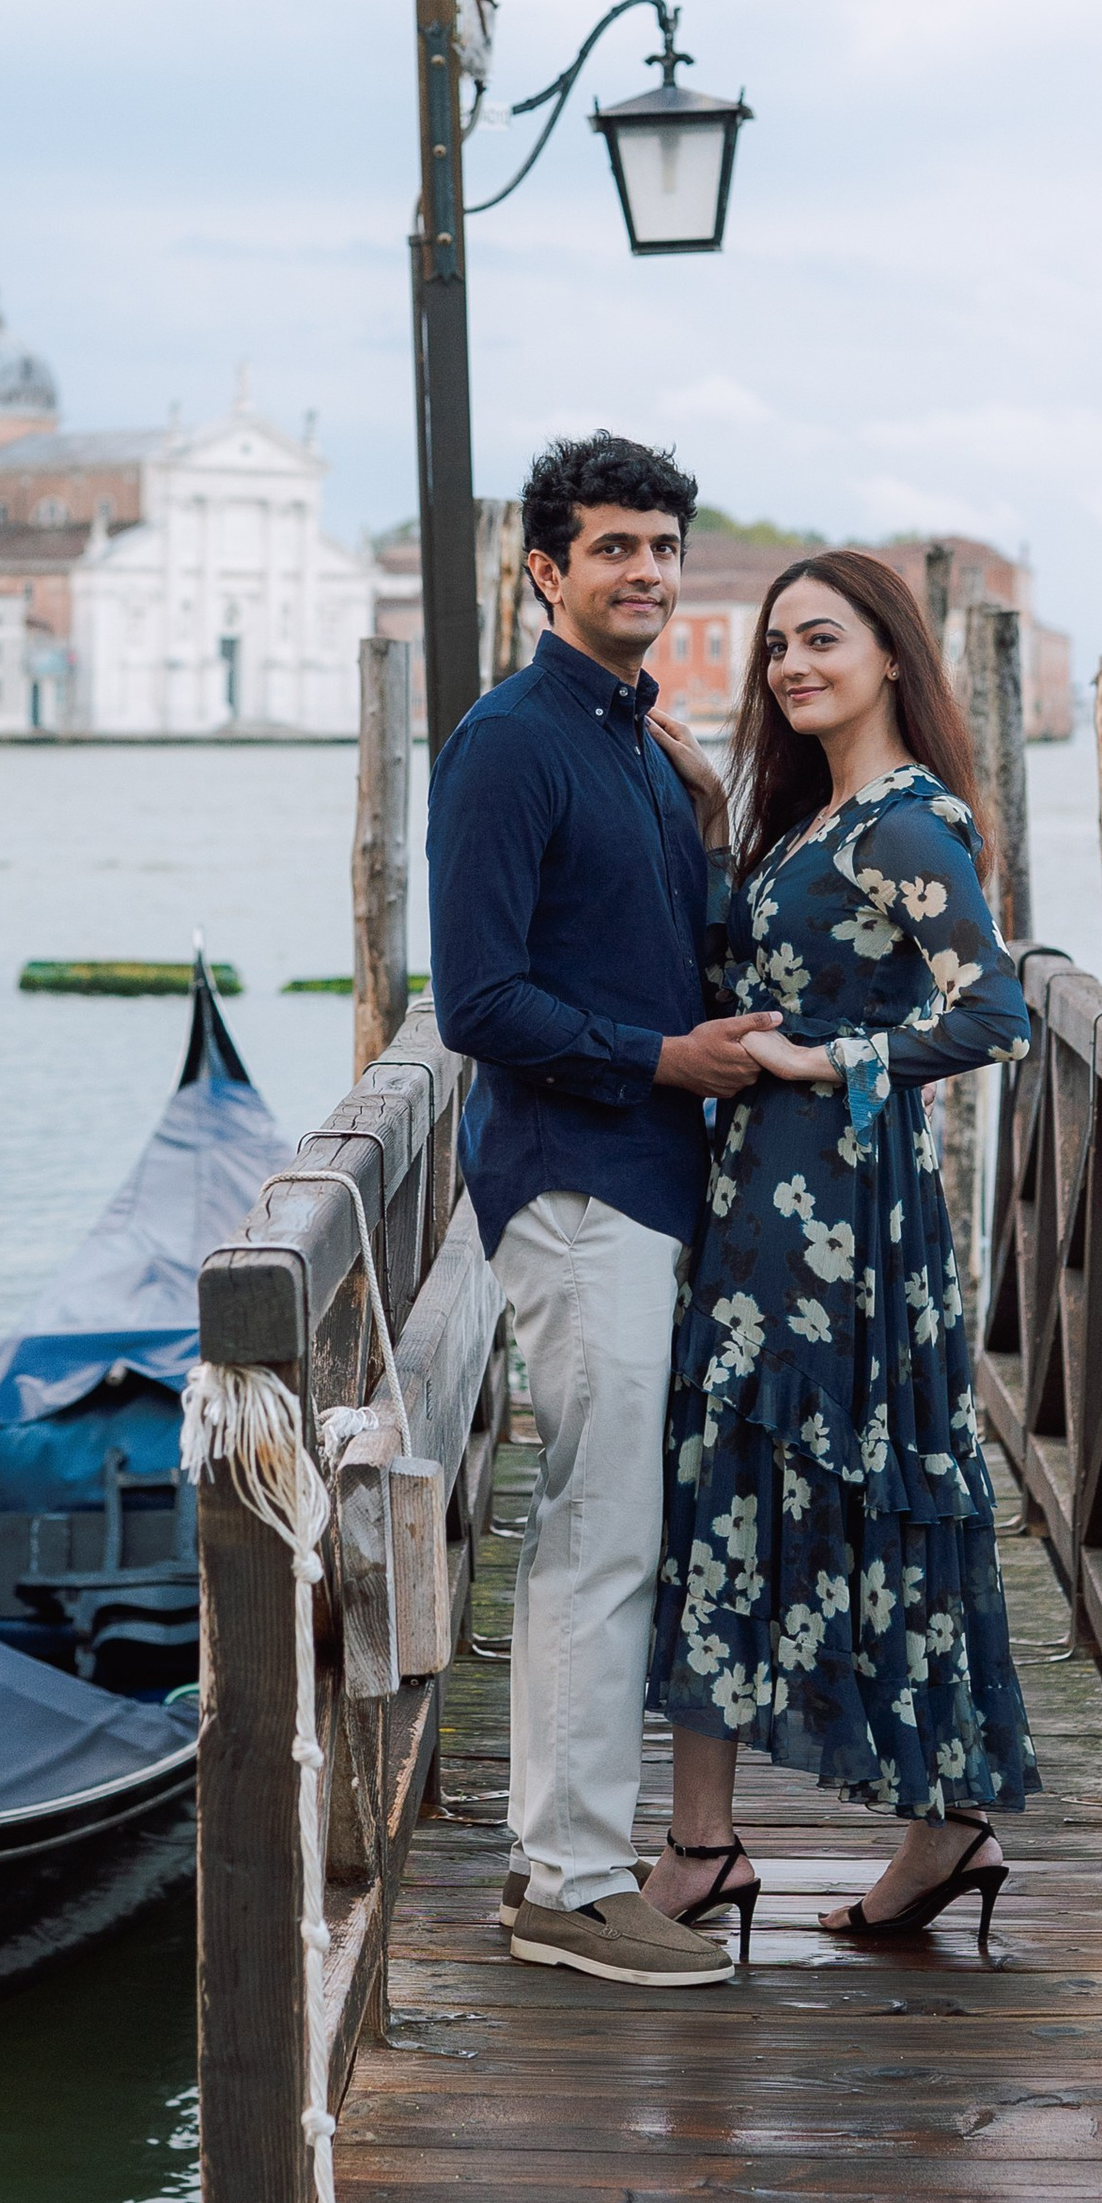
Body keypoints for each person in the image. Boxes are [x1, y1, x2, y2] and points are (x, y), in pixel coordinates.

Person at [641, 547, 1036, 1961]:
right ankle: (898, 1828)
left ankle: (729, 1845)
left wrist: (825, 1060)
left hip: (840, 1225)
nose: (793, 665)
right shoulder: (819, 820)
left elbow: (994, 1016)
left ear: (889, 658)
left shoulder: (905, 828)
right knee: (739, 1483)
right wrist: (698, 809)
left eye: (822, 640)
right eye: (774, 647)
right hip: (767, 1200)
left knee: (764, 1481)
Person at [426, 431, 785, 1989]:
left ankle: (564, 1862)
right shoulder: (509, 744)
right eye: (616, 549)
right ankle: (566, 1881)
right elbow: (479, 1000)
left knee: (613, 1522)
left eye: (663, 548)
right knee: (595, 1528)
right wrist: (665, 1059)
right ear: (544, 571)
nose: (646, 571)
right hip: (574, 1183)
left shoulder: (641, 746)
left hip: (646, 1180)